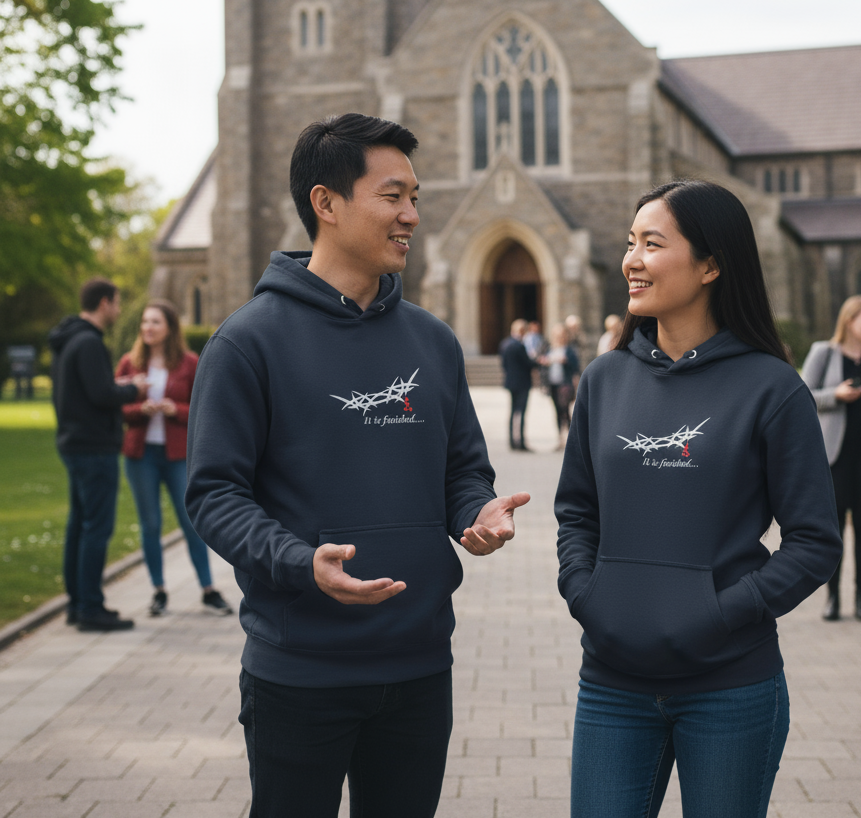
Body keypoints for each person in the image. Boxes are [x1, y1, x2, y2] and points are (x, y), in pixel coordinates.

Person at [185, 113, 530, 818]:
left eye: (415, 197)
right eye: (393, 196)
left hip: (420, 667)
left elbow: (463, 467)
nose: (412, 215)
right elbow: (214, 494)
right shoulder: (247, 343)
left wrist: (474, 510)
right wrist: (297, 561)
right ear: (326, 203)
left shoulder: (433, 341)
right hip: (299, 672)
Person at [554, 179, 841, 818]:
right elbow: (577, 510)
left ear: (711, 264)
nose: (631, 259)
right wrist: (585, 591)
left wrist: (720, 612)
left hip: (729, 686)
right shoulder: (604, 379)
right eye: (630, 243)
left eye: (652, 244)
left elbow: (816, 542)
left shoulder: (772, 389)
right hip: (612, 684)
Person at [116, 301, 232, 618]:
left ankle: (208, 590)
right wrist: (140, 409)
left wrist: (174, 410)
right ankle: (158, 591)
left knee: (191, 522)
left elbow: (204, 409)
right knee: (150, 524)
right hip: (141, 455)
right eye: (145, 322)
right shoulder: (130, 363)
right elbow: (115, 408)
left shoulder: (189, 363)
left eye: (155, 322)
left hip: (178, 455)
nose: (148, 328)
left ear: (169, 327)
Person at [49, 278, 147, 632]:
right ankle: (91, 607)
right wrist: (134, 389)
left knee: (79, 525)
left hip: (74, 442)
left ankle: (77, 604)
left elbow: (87, 390)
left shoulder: (68, 339)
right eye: (117, 303)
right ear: (104, 303)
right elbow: (101, 395)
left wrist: (115, 387)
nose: (119, 311)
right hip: (93, 448)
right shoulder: (89, 342)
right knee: (95, 528)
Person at [802, 295, 861, 622]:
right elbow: (801, 396)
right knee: (835, 530)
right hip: (834, 457)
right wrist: (836, 395)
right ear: (849, 321)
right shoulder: (824, 353)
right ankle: (832, 599)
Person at [499, 318, 535, 451]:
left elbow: (503, 364)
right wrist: (536, 360)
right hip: (522, 383)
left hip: (510, 382)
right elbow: (528, 364)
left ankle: (511, 442)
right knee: (521, 413)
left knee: (512, 412)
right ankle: (520, 442)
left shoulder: (504, 344)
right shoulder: (519, 346)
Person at [542, 324, 579, 447]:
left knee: (565, 410)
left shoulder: (569, 349)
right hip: (553, 384)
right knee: (557, 411)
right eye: (556, 335)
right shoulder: (550, 349)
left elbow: (576, 367)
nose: (559, 337)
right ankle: (560, 439)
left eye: (561, 335)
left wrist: (565, 361)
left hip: (565, 384)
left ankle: (570, 439)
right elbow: (544, 366)